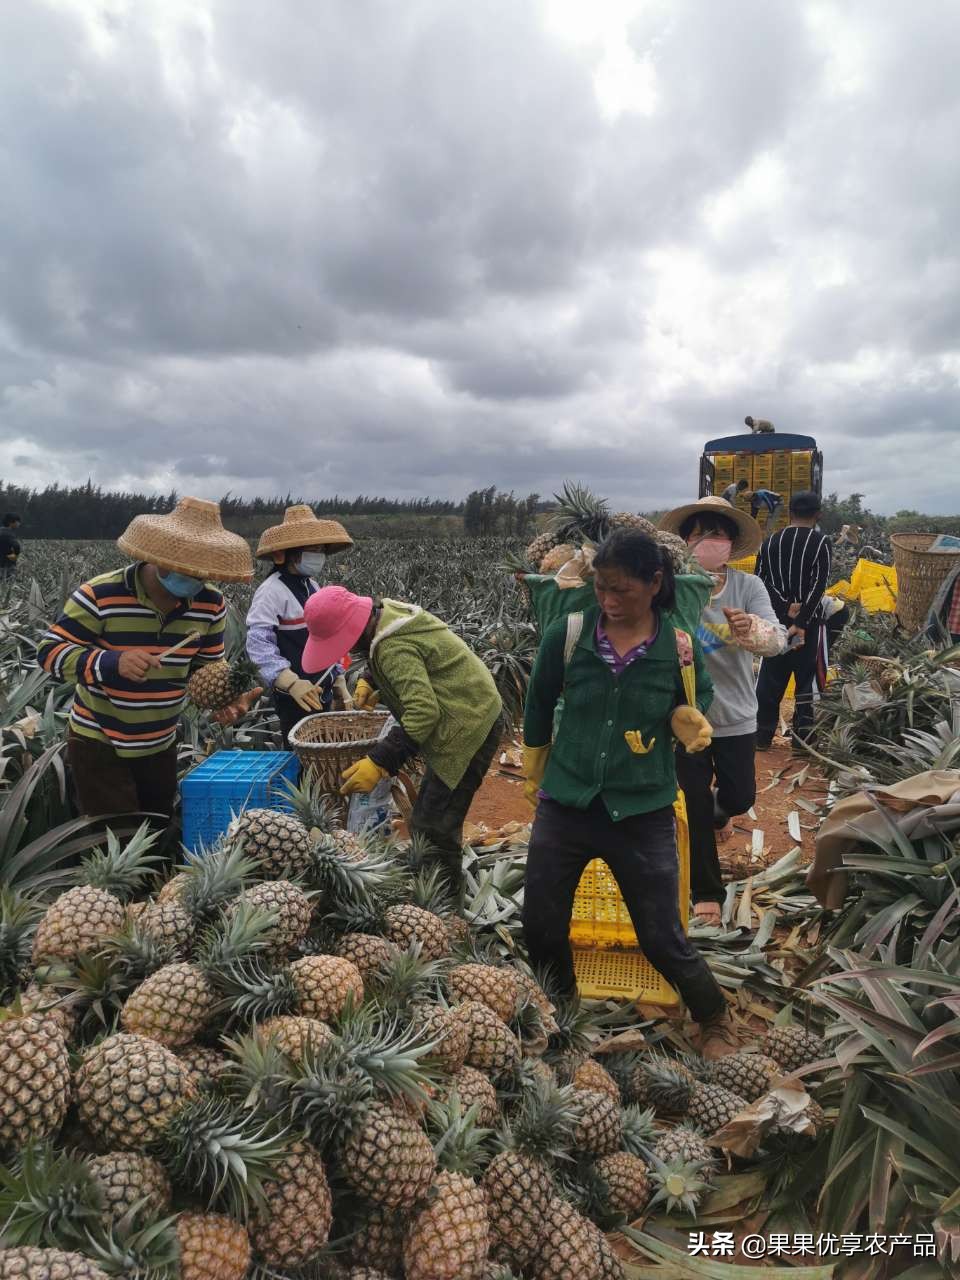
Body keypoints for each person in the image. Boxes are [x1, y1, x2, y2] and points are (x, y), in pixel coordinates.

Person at [520, 528, 739, 1059]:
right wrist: (535, 765)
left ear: (655, 582)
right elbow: (540, 699)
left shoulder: (678, 646)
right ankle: (562, 1013)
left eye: (623, 589)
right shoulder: (570, 634)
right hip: (568, 802)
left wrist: (684, 716)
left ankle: (713, 1015)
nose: (609, 600)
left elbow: (700, 695)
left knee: (661, 935)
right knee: (541, 924)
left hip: (642, 808)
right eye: (601, 587)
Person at [37, 497, 260, 819]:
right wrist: (112, 663)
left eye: (202, 572)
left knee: (156, 829)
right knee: (115, 834)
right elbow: (49, 652)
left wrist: (228, 697)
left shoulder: (210, 603)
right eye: (186, 566)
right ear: (158, 556)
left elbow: (207, 668)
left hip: (161, 740)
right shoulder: (100, 594)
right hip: (99, 740)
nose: (194, 577)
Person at [300, 586, 503, 897]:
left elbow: (424, 711)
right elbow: (406, 650)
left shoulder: (391, 647)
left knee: (434, 824)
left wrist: (380, 761)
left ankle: (446, 904)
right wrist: (370, 679)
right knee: (427, 817)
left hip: (468, 724)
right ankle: (432, 887)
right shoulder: (386, 613)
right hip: (469, 704)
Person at [659, 498, 786, 925]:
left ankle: (721, 813)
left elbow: (778, 640)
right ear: (684, 541)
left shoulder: (747, 587)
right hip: (686, 717)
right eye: (698, 533)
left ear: (731, 544)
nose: (708, 541)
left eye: (717, 534)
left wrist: (753, 629)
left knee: (739, 797)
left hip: (736, 715)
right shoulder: (671, 587)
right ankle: (706, 892)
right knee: (692, 804)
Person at [246, 505, 355, 746]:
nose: (318, 555)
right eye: (312, 550)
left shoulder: (312, 586)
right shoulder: (271, 591)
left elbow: (327, 638)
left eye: (320, 550)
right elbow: (258, 644)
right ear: (287, 554)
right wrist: (291, 682)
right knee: (302, 756)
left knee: (327, 753)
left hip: (322, 690)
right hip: (295, 697)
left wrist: (338, 679)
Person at [755, 491, 832, 750]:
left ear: (789, 513)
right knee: (807, 682)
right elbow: (819, 584)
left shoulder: (770, 542)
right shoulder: (820, 542)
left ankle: (761, 736)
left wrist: (785, 607)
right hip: (808, 626)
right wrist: (801, 620)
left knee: (770, 679)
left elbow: (760, 580)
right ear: (818, 514)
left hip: (776, 622)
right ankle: (803, 742)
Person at [0, 513, 22, 579]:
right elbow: (16, 546)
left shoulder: (1, 530)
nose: (19, 524)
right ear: (11, 522)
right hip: (7, 562)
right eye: (18, 521)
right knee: (9, 579)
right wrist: (15, 555)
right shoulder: (8, 533)